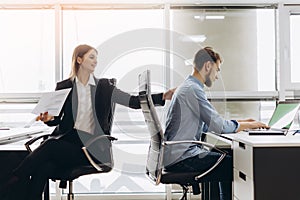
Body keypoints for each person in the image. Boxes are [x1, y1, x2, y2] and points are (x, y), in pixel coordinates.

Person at [0, 44, 175, 200]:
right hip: (68, 143)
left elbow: (133, 101)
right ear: (79, 59)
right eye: (91, 57)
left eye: (96, 58)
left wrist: (162, 96)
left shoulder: (105, 87)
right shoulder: (64, 87)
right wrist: (49, 119)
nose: (95, 61)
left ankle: (12, 179)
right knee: (44, 167)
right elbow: (58, 121)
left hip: (92, 148)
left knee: (50, 146)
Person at [163, 47, 269, 200]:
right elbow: (220, 127)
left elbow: (207, 125)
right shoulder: (193, 90)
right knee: (229, 164)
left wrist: (245, 122)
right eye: (217, 70)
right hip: (182, 158)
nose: (217, 76)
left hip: (175, 156)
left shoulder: (187, 87)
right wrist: (250, 125)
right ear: (208, 66)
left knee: (221, 158)